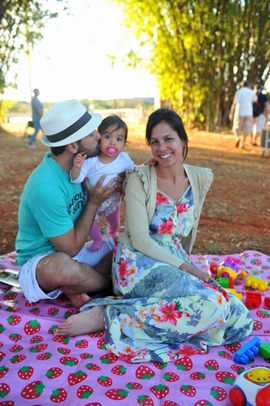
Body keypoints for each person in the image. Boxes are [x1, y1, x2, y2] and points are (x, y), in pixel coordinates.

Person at [55, 108, 253, 364]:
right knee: (213, 304)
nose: (162, 148)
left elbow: (182, 235)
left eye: (168, 139)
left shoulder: (200, 178)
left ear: (183, 140)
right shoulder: (140, 178)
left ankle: (132, 311)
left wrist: (185, 266)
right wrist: (186, 269)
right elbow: (139, 238)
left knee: (240, 318)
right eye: (155, 142)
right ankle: (111, 315)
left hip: (173, 259)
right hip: (138, 262)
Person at [15, 99, 124, 312]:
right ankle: (108, 283)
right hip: (42, 260)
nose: (99, 137)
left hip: (76, 252)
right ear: (73, 146)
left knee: (125, 243)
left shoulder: (81, 167)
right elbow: (70, 248)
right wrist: (93, 201)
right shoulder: (45, 187)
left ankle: (77, 285)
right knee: (60, 267)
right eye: (91, 134)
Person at [70, 115, 134, 251]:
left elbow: (133, 173)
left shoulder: (124, 159)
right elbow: (77, 179)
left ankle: (113, 233)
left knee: (114, 221)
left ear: (124, 143)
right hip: (93, 201)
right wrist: (76, 168)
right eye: (107, 137)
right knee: (89, 222)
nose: (112, 143)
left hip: (112, 200)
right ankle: (97, 238)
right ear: (99, 139)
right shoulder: (90, 161)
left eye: (118, 139)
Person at [229, 80, 257, 149]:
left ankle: (237, 138)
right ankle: (242, 143)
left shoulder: (238, 92)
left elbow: (234, 104)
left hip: (239, 112)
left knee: (236, 127)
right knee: (247, 129)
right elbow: (256, 100)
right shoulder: (251, 92)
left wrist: (231, 113)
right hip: (248, 113)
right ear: (248, 85)